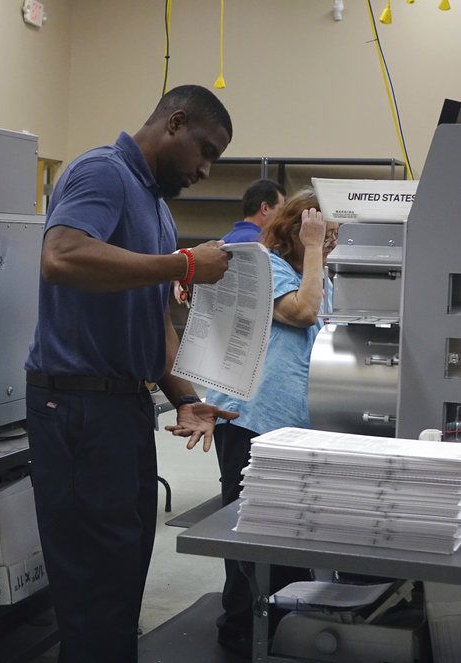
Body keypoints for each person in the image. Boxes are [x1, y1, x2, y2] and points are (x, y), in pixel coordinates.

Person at [24, 84, 240, 663]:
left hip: (121, 409)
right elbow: (61, 257)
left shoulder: (158, 209)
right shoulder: (102, 172)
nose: (205, 169)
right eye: (206, 150)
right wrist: (185, 263)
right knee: (92, 582)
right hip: (74, 408)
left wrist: (183, 395)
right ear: (174, 123)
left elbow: (155, 321)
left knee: (121, 573)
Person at [205, 188, 339, 657]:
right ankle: (241, 625)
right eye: (324, 232)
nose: (330, 241)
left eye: (334, 234)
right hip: (250, 418)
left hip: (291, 424)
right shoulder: (266, 268)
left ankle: (282, 619)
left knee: (286, 528)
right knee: (246, 528)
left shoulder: (316, 275)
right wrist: (314, 249)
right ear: (297, 229)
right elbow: (301, 314)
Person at [221, 178, 286, 244]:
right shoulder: (260, 242)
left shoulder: (225, 240)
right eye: (280, 210)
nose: (282, 217)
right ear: (265, 208)